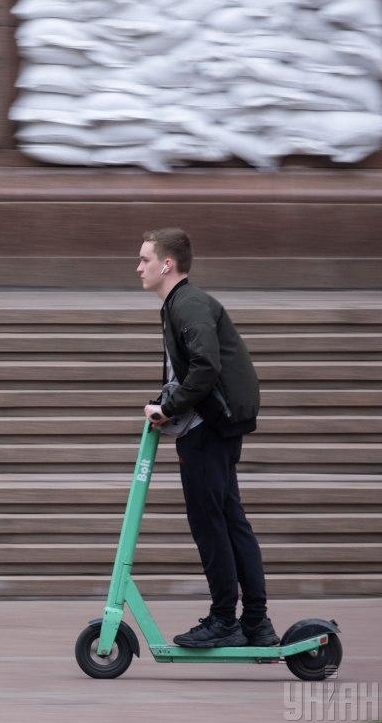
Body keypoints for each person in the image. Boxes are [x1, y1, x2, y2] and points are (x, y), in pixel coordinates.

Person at [137, 228, 278, 648]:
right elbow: (189, 372)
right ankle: (255, 622)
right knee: (230, 521)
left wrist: (170, 406)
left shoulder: (189, 305)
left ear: (167, 264)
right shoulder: (181, 305)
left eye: (145, 259)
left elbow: (205, 367)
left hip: (208, 430)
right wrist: (167, 403)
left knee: (210, 523)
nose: (138, 267)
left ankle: (225, 620)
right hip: (214, 426)